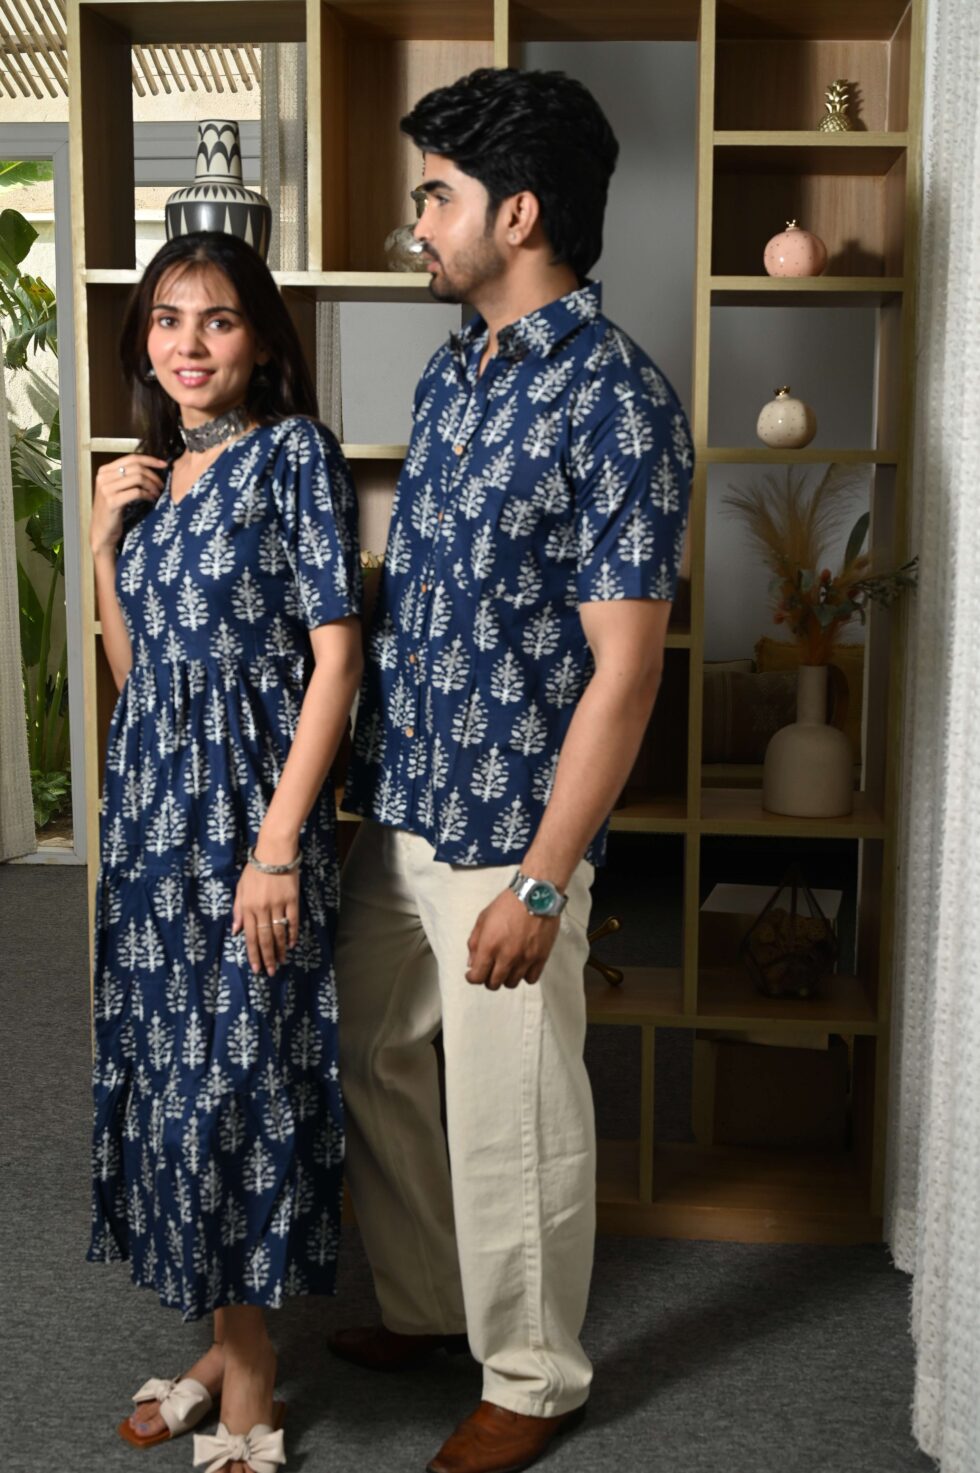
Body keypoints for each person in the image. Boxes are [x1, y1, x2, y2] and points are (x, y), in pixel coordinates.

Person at [334, 66, 693, 1473]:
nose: (417, 222)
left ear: (519, 214)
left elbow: (628, 672)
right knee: (369, 1047)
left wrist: (543, 882)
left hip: (509, 833)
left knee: (513, 1118)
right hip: (405, 805)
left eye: (437, 196)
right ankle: (430, 1303)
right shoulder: (455, 369)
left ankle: (535, 1378)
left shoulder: (617, 401)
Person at [87, 230, 362, 1473]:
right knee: (175, 1078)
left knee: (241, 1083)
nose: (187, 344)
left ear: (260, 338)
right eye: (165, 319)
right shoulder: (158, 478)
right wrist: (105, 544)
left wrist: (278, 848)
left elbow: (335, 663)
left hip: (251, 820)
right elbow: (138, 678)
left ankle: (247, 1382)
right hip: (152, 826)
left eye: (217, 319)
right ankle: (225, 1345)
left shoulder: (292, 455)